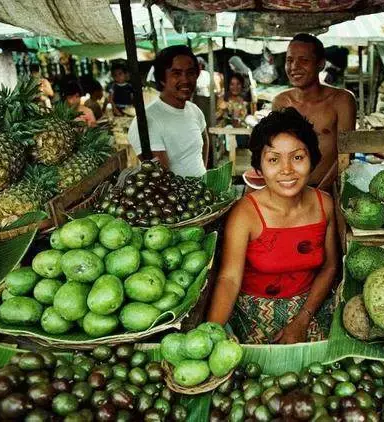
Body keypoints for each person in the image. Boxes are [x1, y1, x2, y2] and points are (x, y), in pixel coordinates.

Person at [207, 107, 338, 345]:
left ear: (313, 159)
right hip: (253, 314)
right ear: (259, 166)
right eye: (274, 159)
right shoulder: (245, 214)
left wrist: (301, 320)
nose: (287, 170)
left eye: (297, 157)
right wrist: (210, 335)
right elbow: (229, 279)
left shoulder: (325, 205)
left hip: (309, 308)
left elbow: (330, 267)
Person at [273, 33, 356, 191]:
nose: (294, 67)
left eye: (304, 60)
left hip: (330, 189)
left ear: (321, 64)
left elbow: (346, 154)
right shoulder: (281, 102)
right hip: (290, 191)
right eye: (289, 60)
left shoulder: (342, 100)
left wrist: (319, 193)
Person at [127, 45, 209, 177]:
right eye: (176, 73)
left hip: (202, 191)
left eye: (190, 73)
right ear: (161, 78)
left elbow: (204, 139)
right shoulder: (146, 121)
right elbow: (163, 177)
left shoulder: (194, 110)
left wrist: (202, 175)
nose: (185, 80)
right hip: (174, 196)